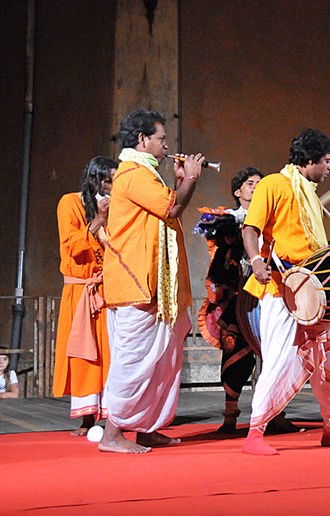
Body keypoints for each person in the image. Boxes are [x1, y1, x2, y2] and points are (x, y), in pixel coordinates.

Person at [241, 128, 330, 455]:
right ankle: (255, 434)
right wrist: (256, 260)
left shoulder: (310, 195)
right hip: (283, 289)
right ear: (311, 160)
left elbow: (313, 249)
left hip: (315, 291)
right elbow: (250, 228)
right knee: (281, 359)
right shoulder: (273, 184)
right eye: (326, 161)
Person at [99, 109, 204, 454]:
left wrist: (179, 181)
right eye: (162, 139)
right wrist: (190, 179)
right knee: (134, 362)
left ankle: (147, 427)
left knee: (162, 361)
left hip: (156, 287)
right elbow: (171, 209)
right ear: (142, 140)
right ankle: (112, 434)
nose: (167, 145)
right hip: (137, 283)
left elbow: (164, 209)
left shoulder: (146, 174)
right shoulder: (133, 173)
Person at [195, 167, 300, 434]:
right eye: (250, 183)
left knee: (276, 353)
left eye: (259, 183)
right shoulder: (231, 220)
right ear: (237, 191)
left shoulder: (275, 218)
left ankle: (275, 414)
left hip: (272, 294)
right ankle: (230, 416)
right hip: (242, 297)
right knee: (236, 354)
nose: (255, 187)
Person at [53, 156, 118, 435]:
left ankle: (114, 415)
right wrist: (99, 219)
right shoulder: (70, 202)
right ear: (95, 179)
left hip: (109, 290)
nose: (113, 186)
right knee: (84, 354)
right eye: (109, 181)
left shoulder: (118, 206)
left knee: (111, 354)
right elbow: (71, 246)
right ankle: (87, 418)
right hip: (81, 290)